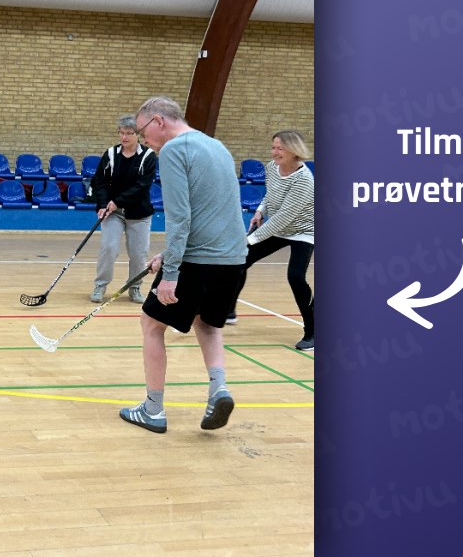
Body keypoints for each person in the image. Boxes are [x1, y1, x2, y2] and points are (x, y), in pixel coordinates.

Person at [118, 96, 246, 434]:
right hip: (233, 261)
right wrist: (168, 255)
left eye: (143, 132)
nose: (144, 140)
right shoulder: (216, 146)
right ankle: (218, 389)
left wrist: (170, 273)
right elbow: (214, 211)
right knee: (208, 324)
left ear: (159, 121)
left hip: (198, 261)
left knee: (151, 324)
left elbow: (180, 217)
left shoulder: (173, 150)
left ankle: (153, 409)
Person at [229, 130, 315, 351]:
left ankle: (313, 331)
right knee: (240, 260)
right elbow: (271, 195)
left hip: (302, 231)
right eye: (273, 147)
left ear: (294, 151)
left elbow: (284, 217)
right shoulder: (272, 167)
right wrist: (259, 210)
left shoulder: (304, 180)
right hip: (277, 225)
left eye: (280, 148)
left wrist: (251, 239)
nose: (274, 152)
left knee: (295, 277)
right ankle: (228, 309)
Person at [90, 115, 158, 304]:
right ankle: (100, 285)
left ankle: (134, 287)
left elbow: (141, 185)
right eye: (122, 133)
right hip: (114, 213)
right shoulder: (111, 154)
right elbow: (100, 182)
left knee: (138, 253)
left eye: (129, 133)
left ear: (138, 135)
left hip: (139, 214)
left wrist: (118, 201)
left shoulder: (148, 156)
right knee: (109, 248)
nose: (124, 137)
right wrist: (103, 204)